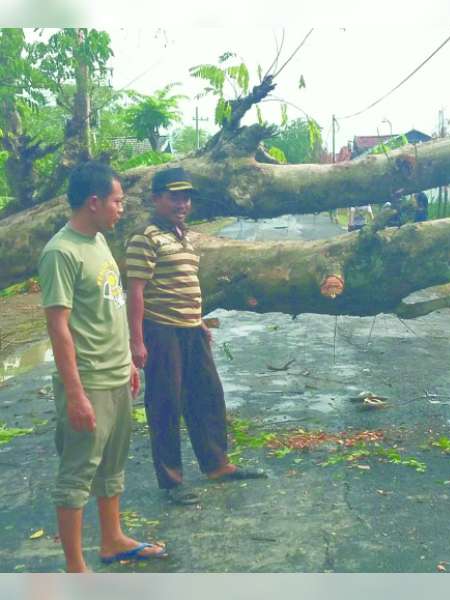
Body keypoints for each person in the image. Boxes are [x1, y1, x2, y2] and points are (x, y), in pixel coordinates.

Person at [125, 167, 346, 504]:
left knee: (207, 395)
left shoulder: (183, 236)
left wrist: (198, 321)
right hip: (161, 331)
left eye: (186, 197)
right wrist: (137, 341)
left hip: (190, 328)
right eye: (174, 197)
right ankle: (171, 481)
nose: (182, 203)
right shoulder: (146, 238)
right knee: (166, 404)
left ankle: (216, 464)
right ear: (156, 199)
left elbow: (186, 286)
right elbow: (137, 292)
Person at [38, 161, 167, 572]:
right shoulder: (61, 252)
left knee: (113, 465)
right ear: (93, 202)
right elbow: (58, 328)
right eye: (117, 202)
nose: (121, 209)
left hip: (116, 374)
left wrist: (129, 358)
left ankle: (112, 540)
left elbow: (108, 308)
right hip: (88, 380)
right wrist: (75, 394)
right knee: (77, 474)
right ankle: (76, 568)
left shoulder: (97, 242)